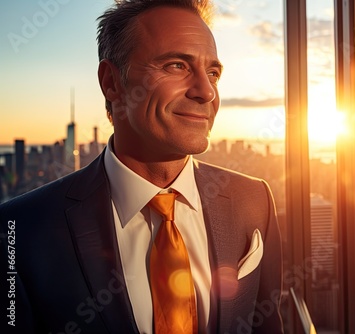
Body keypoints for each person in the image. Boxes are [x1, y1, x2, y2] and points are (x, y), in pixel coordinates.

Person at [0, 0, 283, 333]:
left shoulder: (254, 200)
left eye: (213, 73)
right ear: (112, 82)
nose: (207, 92)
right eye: (177, 65)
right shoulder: (19, 229)